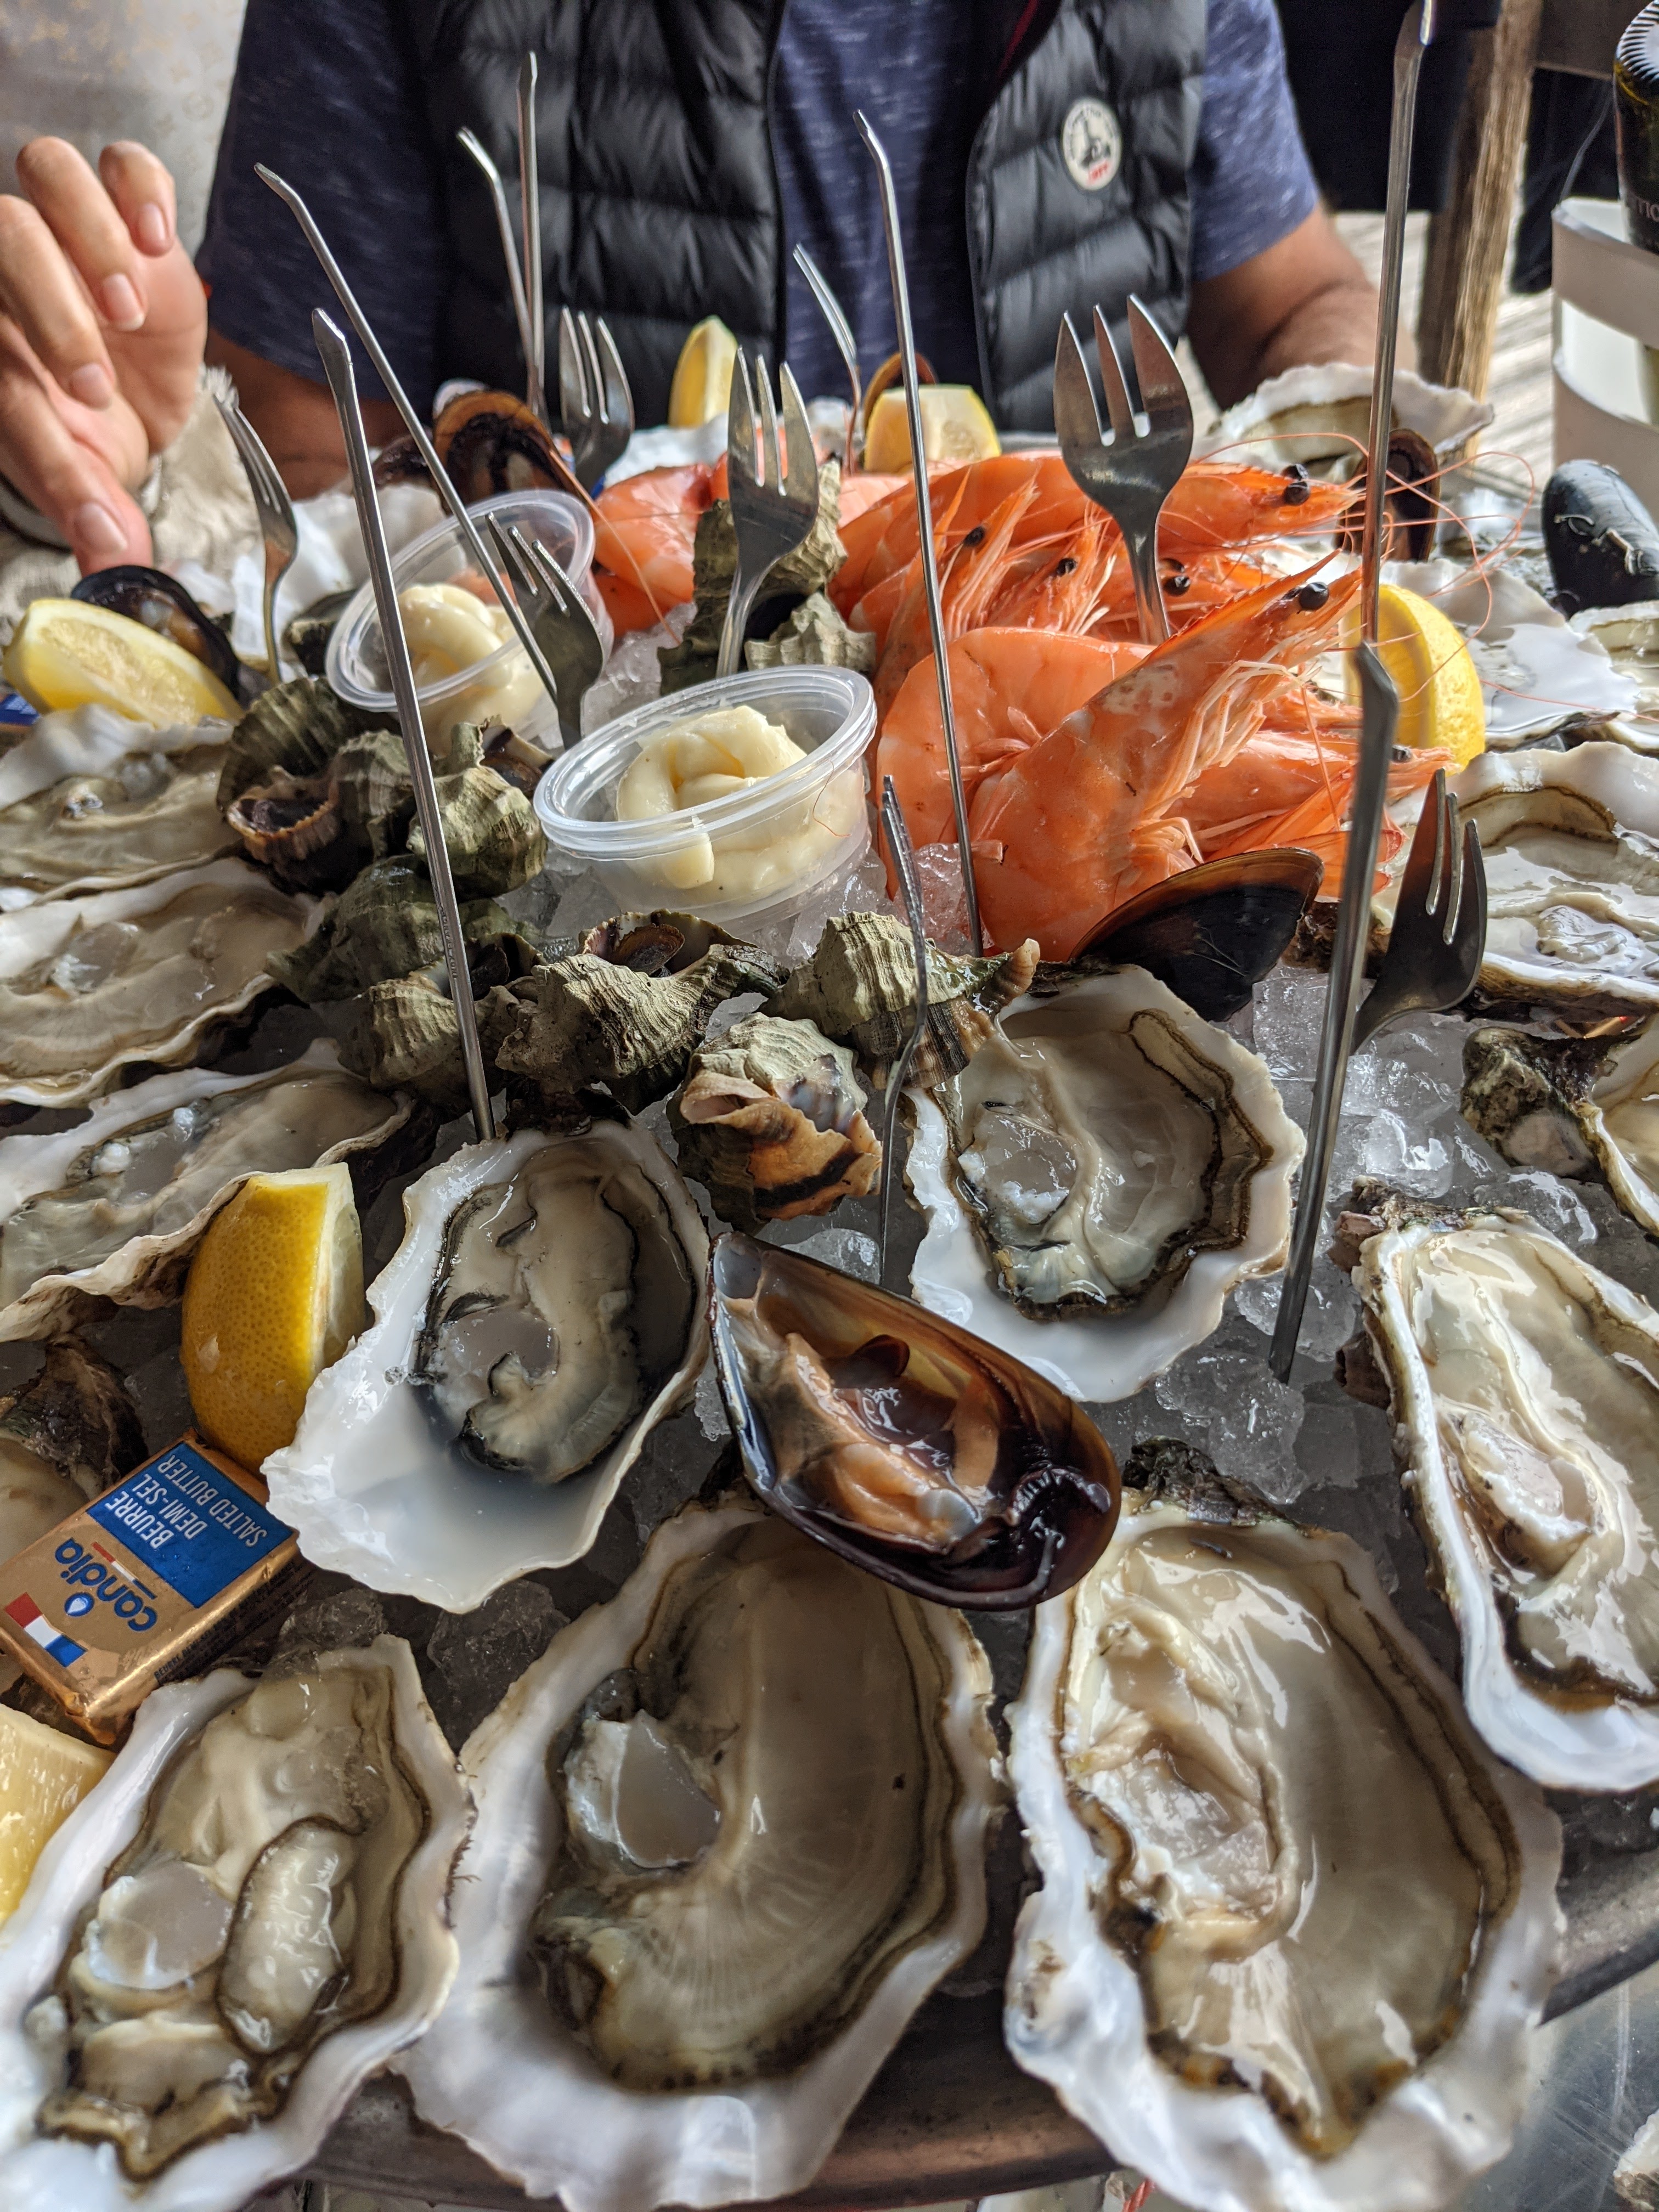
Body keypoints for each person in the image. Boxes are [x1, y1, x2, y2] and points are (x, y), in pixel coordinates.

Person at [0, 0, 1384, 573]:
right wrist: (120, 449)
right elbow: (316, 471)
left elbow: (1290, 303)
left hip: (1060, 688)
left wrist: (1375, 431)